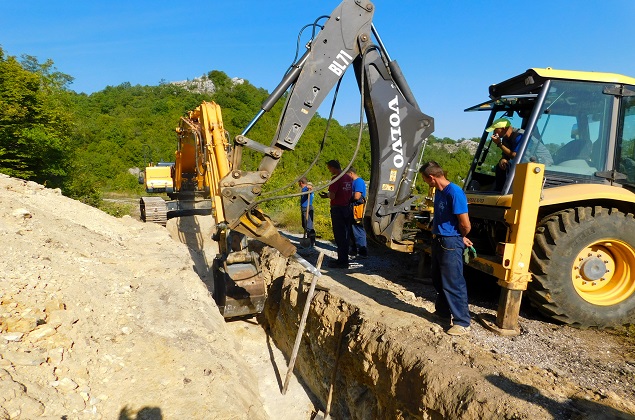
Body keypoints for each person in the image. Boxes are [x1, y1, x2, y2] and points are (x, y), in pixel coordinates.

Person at [420, 161, 473, 336]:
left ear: (432, 177)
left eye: (425, 179)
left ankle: (462, 322)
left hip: (450, 242)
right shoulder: (440, 192)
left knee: (453, 281)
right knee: (438, 279)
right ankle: (443, 313)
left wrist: (460, 237)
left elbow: (465, 223)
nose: (426, 182)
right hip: (439, 239)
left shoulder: (455, 192)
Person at [486, 117, 553, 190]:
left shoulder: (521, 136)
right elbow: (507, 155)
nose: (494, 133)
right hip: (524, 161)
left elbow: (516, 156)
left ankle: (504, 191)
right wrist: (503, 159)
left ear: (504, 128)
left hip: (542, 163)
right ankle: (498, 191)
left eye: (495, 130)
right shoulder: (506, 139)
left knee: (511, 167)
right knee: (502, 167)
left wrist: (499, 144)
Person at [320, 160, 353, 268]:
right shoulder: (348, 178)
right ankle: (344, 259)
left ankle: (342, 262)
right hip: (347, 208)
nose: (329, 171)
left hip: (337, 209)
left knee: (339, 235)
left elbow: (333, 196)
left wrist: (327, 195)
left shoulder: (336, 178)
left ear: (333, 168)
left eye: (329, 168)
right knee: (346, 235)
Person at [346, 167, 367, 258]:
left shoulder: (359, 181)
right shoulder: (352, 182)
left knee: (358, 230)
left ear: (351, 173)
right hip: (351, 208)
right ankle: (354, 249)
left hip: (357, 209)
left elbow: (357, 196)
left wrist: (347, 198)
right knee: (351, 230)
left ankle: (362, 252)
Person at [298, 177, 316, 247]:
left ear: (301, 183)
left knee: (308, 226)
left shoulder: (306, 188)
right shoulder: (305, 189)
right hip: (305, 208)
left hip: (307, 208)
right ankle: (309, 240)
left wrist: (309, 187)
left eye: (299, 183)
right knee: (304, 225)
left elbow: (310, 188)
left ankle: (311, 241)